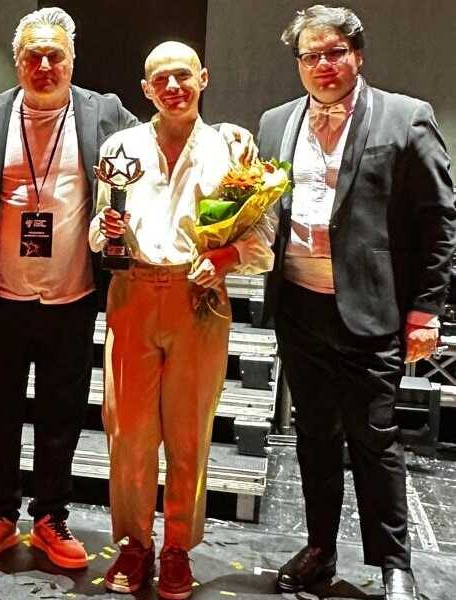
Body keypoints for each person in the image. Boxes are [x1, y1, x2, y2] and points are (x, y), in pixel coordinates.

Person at [256, 6, 456, 600]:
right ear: (298, 63)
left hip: (371, 310)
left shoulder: (405, 117)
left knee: (375, 438)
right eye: (310, 55)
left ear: (357, 55)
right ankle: (319, 549)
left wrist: (426, 310)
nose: (322, 64)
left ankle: (395, 564)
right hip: (299, 306)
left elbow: (439, 219)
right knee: (314, 436)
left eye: (334, 52)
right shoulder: (275, 123)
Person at [89, 42, 274, 598]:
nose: (173, 87)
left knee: (189, 432)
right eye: (161, 79)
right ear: (146, 89)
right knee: (129, 433)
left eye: (183, 76)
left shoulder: (233, 148)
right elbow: (98, 232)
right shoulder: (120, 147)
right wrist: (108, 232)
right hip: (133, 293)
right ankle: (135, 542)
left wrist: (226, 258)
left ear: (204, 79)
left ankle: (175, 547)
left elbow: (262, 238)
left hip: (200, 300)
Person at [0, 7, 138, 571]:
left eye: (54, 55)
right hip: (1, 297)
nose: (43, 66)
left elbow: (158, 145)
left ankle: (51, 518)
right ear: (17, 61)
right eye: (32, 56)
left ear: (72, 60)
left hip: (72, 295)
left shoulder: (104, 113)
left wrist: (222, 135)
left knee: (62, 415)